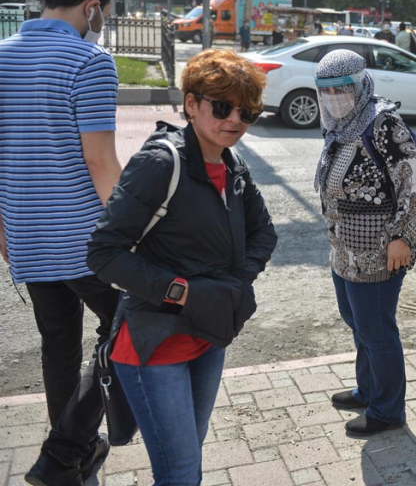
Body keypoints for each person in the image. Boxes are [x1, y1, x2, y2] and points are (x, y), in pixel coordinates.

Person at [87, 49, 277, 485]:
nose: (235, 120)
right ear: (191, 104)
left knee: (186, 461)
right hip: (156, 344)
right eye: (223, 106)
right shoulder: (161, 163)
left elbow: (264, 234)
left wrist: (230, 284)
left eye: (247, 112)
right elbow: (103, 253)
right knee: (180, 473)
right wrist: (184, 292)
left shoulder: (233, 167)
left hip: (209, 336)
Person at [0, 0, 121, 486]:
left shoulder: (1, 58)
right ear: (91, 7)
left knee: (59, 342)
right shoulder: (90, 61)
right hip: (85, 240)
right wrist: (135, 234)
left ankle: (69, 454)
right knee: (131, 324)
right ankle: (65, 449)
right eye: (103, 14)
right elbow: (101, 163)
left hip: (25, 233)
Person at [313, 50, 416, 436]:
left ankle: (387, 410)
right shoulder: (337, 122)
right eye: (325, 90)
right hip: (343, 246)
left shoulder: (382, 122)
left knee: (377, 330)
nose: (333, 97)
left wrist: (402, 237)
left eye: (341, 89)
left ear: (360, 84)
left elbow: (412, 181)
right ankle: (368, 390)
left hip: (380, 247)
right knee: (357, 323)